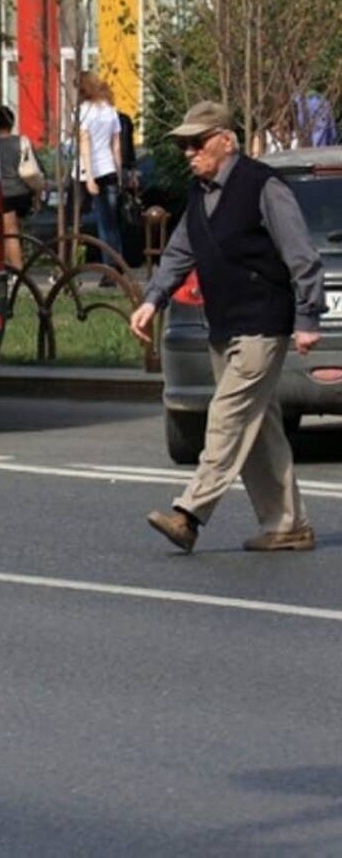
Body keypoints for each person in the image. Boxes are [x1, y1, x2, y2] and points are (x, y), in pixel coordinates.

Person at [128, 100, 325, 554]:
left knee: (227, 417)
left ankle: (189, 514)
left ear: (225, 140)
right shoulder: (200, 194)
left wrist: (307, 318)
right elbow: (179, 252)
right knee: (260, 428)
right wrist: (152, 300)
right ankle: (288, 525)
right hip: (224, 326)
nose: (188, 152)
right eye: (184, 145)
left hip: (263, 323)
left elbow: (301, 254)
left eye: (197, 143)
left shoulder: (263, 186)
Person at [77, 73, 124, 280]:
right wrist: (119, 173)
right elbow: (116, 146)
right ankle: (117, 265)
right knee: (111, 222)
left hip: (91, 171)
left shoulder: (84, 111)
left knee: (92, 222)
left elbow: (84, 143)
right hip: (109, 169)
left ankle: (105, 269)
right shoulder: (110, 110)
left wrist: (89, 176)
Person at [0, 104, 36, 270]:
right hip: (22, 192)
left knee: (9, 233)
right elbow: (32, 168)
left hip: (5, 194)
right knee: (11, 232)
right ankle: (12, 266)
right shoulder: (21, 142)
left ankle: (17, 270)